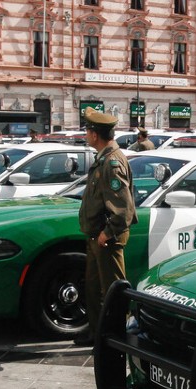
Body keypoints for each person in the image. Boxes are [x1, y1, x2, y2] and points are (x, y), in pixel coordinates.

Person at [78, 109, 137, 345]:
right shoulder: (103, 158)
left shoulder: (112, 163)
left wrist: (107, 232)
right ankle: (96, 334)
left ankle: (116, 338)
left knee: (113, 292)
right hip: (97, 237)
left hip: (107, 238)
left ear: (94, 134)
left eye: (87, 130)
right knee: (94, 291)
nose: (85, 134)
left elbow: (124, 208)